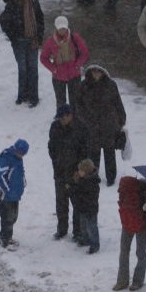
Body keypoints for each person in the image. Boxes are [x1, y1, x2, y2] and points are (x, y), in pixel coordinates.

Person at [76, 64, 126, 187]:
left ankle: (111, 177)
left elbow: (117, 102)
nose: (96, 73)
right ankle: (93, 176)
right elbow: (78, 105)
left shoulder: (111, 85)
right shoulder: (84, 85)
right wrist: (85, 120)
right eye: (94, 71)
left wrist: (121, 119)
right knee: (94, 153)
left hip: (108, 123)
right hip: (91, 124)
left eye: (99, 71)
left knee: (109, 153)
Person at [0, 0, 44, 107]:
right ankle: (23, 94)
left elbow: (40, 19)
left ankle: (33, 96)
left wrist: (39, 36)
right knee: (23, 69)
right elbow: (4, 20)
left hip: (32, 40)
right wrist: (13, 36)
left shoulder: (34, 2)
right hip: (19, 42)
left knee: (33, 69)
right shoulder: (13, 4)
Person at [48, 103, 89, 242]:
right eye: (59, 118)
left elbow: (86, 151)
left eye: (63, 118)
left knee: (77, 203)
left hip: (75, 173)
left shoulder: (81, 128)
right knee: (61, 202)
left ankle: (77, 231)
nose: (61, 120)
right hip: (59, 171)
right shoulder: (55, 127)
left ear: (70, 115)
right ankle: (62, 229)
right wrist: (56, 161)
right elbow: (51, 147)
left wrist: (79, 171)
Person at [113, 176, 146, 291]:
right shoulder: (145, 191)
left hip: (128, 224)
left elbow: (121, 205)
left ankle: (122, 281)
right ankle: (138, 281)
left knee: (124, 252)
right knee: (141, 253)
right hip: (140, 225)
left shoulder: (126, 188)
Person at [40, 16, 88, 112]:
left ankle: (75, 119)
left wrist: (77, 65)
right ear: (56, 28)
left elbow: (85, 53)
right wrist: (54, 69)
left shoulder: (75, 38)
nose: (62, 30)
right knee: (60, 102)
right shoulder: (50, 41)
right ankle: (62, 120)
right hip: (58, 77)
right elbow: (43, 58)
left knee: (75, 101)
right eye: (60, 28)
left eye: (64, 28)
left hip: (74, 75)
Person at [0, 139, 29, 250]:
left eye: (24, 154)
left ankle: (8, 237)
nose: (22, 156)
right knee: (6, 218)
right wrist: (7, 190)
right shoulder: (6, 158)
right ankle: (5, 240)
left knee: (13, 217)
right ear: (16, 150)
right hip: (6, 196)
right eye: (21, 153)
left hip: (15, 195)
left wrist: (23, 183)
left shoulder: (19, 159)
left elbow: (21, 171)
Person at [69, 158, 102, 254]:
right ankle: (85, 239)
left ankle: (95, 244)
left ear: (86, 172)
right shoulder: (82, 180)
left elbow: (88, 196)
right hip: (82, 207)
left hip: (90, 208)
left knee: (92, 227)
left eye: (81, 171)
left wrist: (78, 190)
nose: (79, 172)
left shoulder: (92, 182)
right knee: (83, 225)